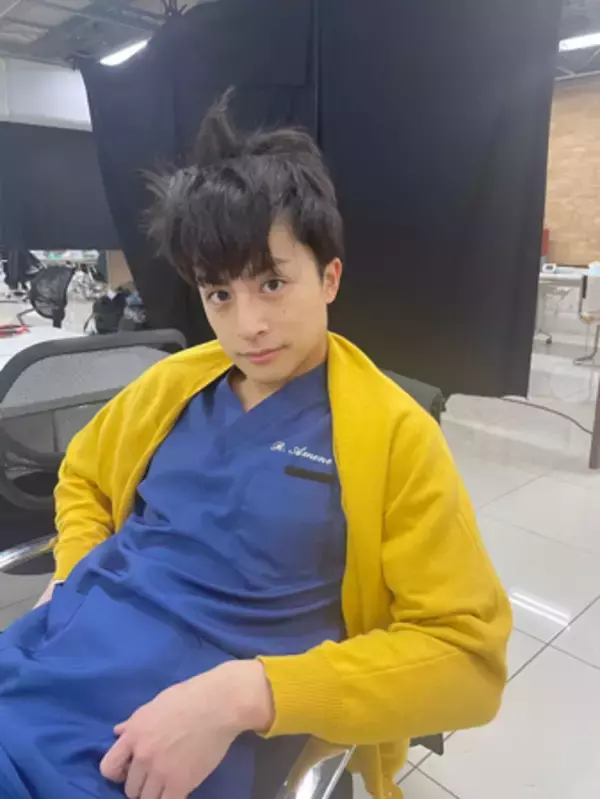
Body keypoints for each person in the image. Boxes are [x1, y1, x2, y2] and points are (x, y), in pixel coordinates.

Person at [0, 94, 512, 799]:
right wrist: (75, 570)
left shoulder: (391, 434)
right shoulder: (174, 385)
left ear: (329, 278)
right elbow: (83, 476)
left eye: (272, 282)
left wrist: (248, 694)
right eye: (219, 294)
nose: (248, 326)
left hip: (180, 734)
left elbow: (468, 661)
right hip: (58, 652)